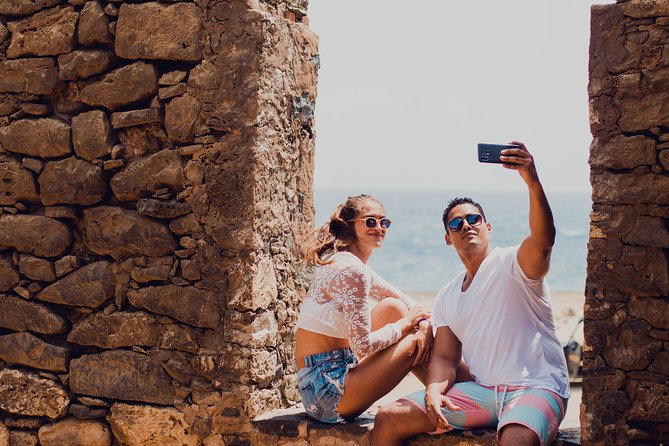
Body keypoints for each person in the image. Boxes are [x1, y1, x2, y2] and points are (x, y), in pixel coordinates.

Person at [371, 142, 570, 446]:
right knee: (388, 417)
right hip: (484, 394)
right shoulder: (448, 295)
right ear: (447, 238)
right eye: (456, 223)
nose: (466, 225)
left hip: (537, 388)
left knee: (516, 438)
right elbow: (446, 359)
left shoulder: (513, 263)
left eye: (473, 219)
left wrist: (531, 180)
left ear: (487, 227)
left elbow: (544, 239)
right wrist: (434, 392)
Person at [295, 194, 462, 424]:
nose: (379, 228)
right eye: (370, 221)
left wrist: (420, 322)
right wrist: (406, 325)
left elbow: (401, 300)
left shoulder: (350, 262)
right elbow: (362, 347)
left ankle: (453, 394)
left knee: (394, 308)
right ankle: (462, 396)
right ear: (349, 226)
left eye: (384, 222)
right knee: (414, 341)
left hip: (322, 378)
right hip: (327, 392)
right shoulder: (352, 271)